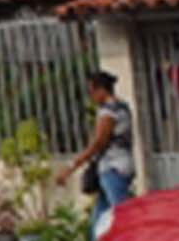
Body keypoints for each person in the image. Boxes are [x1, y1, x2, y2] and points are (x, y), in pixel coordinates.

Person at [59, 70, 137, 231]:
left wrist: (72, 166)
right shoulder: (122, 107)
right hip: (120, 165)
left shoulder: (108, 111)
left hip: (113, 168)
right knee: (99, 222)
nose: (91, 96)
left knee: (121, 217)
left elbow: (99, 142)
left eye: (92, 91)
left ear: (102, 90)